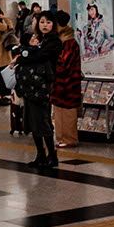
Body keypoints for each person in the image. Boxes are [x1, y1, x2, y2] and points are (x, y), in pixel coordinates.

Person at [15, 11, 62, 170]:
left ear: (53, 24)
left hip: (42, 87)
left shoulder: (54, 41)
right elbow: (26, 54)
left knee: (43, 120)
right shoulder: (38, 39)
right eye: (42, 22)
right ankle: (40, 155)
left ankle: (52, 156)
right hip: (30, 86)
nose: (45, 25)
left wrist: (26, 54)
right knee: (33, 121)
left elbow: (39, 57)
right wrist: (27, 52)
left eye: (48, 22)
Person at [51, 10, 83, 149]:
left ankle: (70, 139)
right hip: (59, 84)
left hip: (69, 84)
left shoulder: (69, 42)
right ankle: (60, 137)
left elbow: (64, 63)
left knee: (68, 112)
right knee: (59, 112)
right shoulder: (60, 40)